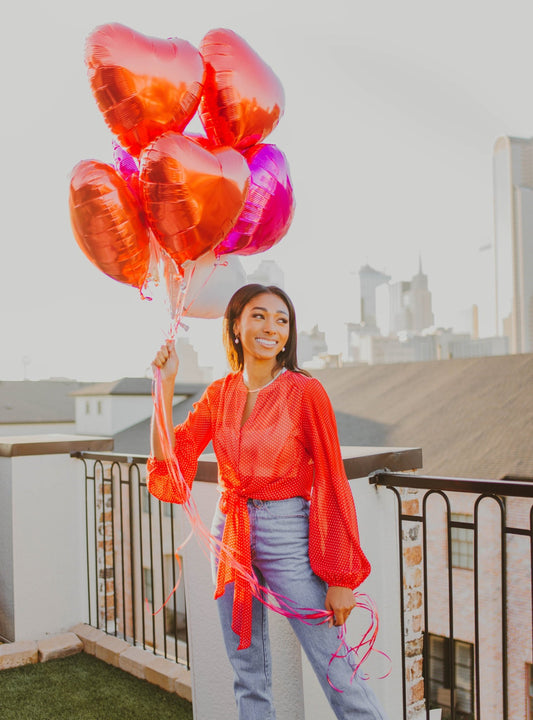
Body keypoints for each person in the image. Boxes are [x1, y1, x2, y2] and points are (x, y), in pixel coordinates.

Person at [147, 283, 388, 720]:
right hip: (230, 531)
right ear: (236, 325)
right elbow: (169, 455)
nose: (271, 328)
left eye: (282, 320)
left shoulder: (304, 392)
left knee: (335, 664)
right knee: (247, 671)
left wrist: (340, 576)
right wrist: (164, 385)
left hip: (287, 533)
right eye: (259, 315)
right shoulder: (220, 393)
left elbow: (332, 479)